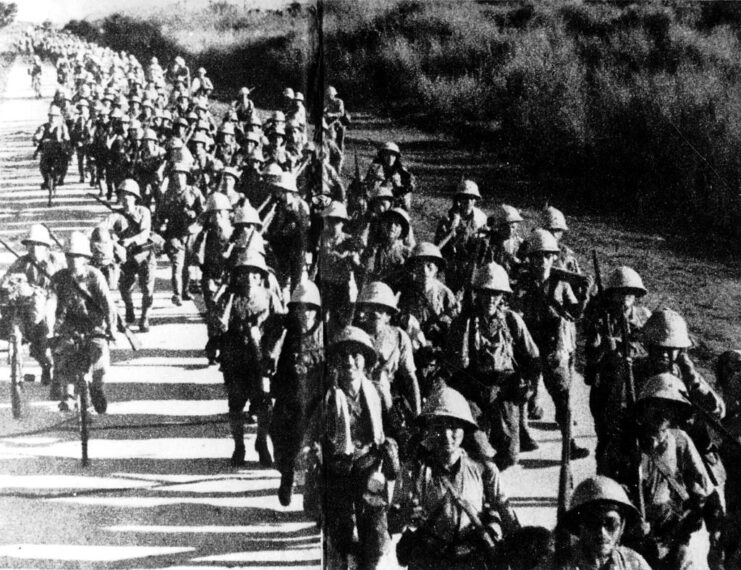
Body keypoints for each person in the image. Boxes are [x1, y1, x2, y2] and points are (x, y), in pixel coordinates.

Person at [301, 326, 399, 570]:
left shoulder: (376, 393)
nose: (349, 361)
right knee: (341, 539)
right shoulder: (327, 397)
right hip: (338, 473)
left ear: (365, 361)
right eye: (343, 355)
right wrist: (310, 451)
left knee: (375, 538)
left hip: (369, 471)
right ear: (335, 361)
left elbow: (393, 430)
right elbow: (311, 432)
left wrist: (392, 448)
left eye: (356, 355)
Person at [396, 386, 520, 570]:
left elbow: (507, 516)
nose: (446, 435)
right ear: (428, 429)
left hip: (471, 560)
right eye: (438, 427)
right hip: (429, 560)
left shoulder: (483, 469)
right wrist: (405, 515)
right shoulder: (414, 470)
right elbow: (391, 523)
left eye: (453, 426)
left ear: (465, 429)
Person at [603, 373, 714, 570]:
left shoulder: (680, 440)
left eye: (670, 406)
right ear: (644, 407)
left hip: (671, 530)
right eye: (657, 404)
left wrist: (691, 520)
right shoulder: (623, 443)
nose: (663, 412)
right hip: (632, 533)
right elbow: (605, 489)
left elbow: (701, 487)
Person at [448, 262, 541, 470]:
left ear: (502, 296)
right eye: (486, 293)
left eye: (496, 294)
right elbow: (452, 365)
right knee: (477, 449)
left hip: (504, 391)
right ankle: (478, 483)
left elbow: (533, 359)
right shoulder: (464, 323)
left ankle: (488, 477)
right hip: (472, 390)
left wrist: (530, 389)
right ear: (478, 294)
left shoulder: (511, 321)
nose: (490, 299)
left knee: (510, 455)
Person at [514, 229, 591, 460]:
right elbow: (514, 309)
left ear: (553, 258)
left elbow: (574, 314)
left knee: (562, 396)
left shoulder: (561, 285)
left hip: (553, 347)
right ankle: (523, 435)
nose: (543, 261)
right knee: (522, 392)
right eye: (538, 257)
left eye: (547, 256)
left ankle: (570, 443)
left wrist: (584, 295)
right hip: (528, 344)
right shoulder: (524, 283)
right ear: (531, 259)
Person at [218, 252, 282, 467]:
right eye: (244, 273)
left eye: (253, 273)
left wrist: (271, 352)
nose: (248, 277)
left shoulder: (269, 296)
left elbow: (280, 327)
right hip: (236, 358)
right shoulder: (230, 297)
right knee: (236, 404)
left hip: (261, 359)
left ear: (260, 276)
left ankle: (261, 442)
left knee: (264, 405)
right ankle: (239, 446)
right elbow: (218, 325)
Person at [584, 266, 651, 465]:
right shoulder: (599, 319)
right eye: (620, 292)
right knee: (606, 439)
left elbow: (649, 349)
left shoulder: (644, 317)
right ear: (612, 294)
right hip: (606, 387)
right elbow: (590, 356)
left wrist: (623, 346)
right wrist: (603, 348)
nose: (625, 298)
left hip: (634, 385)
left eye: (630, 293)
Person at [266, 280, 325, 506]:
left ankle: (310, 487)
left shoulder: (324, 333)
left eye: (309, 308)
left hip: (314, 402)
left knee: (312, 449)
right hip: (289, 397)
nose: (305, 314)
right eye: (299, 308)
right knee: (279, 439)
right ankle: (286, 473)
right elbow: (271, 352)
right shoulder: (285, 331)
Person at [52, 232, 116, 414]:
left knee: (100, 363)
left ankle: (97, 388)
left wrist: (111, 328)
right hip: (69, 325)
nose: (73, 260)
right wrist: (51, 327)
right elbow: (50, 302)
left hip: (95, 324)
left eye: (77, 256)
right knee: (64, 356)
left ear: (85, 258)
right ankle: (68, 396)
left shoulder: (95, 276)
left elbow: (108, 304)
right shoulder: (59, 278)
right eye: (69, 256)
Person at [356, 281, 422, 455]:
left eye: (381, 308)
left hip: (388, 400)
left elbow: (410, 378)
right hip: (359, 399)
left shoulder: (399, 337)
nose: (376, 312)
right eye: (371, 307)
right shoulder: (356, 334)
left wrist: (418, 414)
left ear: (389, 314)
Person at [534, 475, 651, 569]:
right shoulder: (554, 564)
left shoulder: (633, 564)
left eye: (611, 524)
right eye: (592, 523)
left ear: (622, 526)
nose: (602, 531)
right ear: (580, 525)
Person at [2, 224, 65, 392]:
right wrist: (17, 284)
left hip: (54, 307)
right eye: (30, 244)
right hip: (31, 312)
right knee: (38, 349)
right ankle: (46, 367)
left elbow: (67, 282)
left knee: (54, 342)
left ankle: (57, 381)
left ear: (46, 246)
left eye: (38, 244)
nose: (34, 248)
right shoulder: (22, 263)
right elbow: (6, 281)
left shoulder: (56, 262)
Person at [104, 179, 157, 332]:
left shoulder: (143, 211)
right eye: (123, 195)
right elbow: (103, 227)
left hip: (145, 254)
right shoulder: (116, 215)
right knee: (125, 288)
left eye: (129, 195)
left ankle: (145, 317)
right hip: (127, 258)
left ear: (135, 197)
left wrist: (130, 240)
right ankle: (129, 307)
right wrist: (109, 238)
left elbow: (145, 232)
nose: (126, 198)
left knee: (147, 289)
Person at [157, 162, 205, 306]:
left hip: (191, 234)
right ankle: (177, 294)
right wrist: (161, 227)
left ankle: (184, 291)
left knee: (187, 266)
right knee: (177, 265)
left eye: (182, 174)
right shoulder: (168, 195)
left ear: (186, 176)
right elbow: (160, 214)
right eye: (176, 175)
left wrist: (195, 216)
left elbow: (204, 213)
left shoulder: (194, 192)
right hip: (174, 234)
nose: (179, 178)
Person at [397, 242, 459, 351]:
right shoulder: (405, 291)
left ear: (436, 269)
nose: (424, 271)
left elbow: (453, 326)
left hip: (436, 349)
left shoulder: (445, 294)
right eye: (420, 266)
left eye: (429, 266)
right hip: (410, 348)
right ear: (413, 268)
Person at [434, 180, 487, 293]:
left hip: (471, 261)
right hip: (453, 262)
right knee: (453, 290)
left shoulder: (480, 218)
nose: (468, 201)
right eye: (465, 197)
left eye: (472, 198)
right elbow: (439, 243)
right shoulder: (448, 219)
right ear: (459, 199)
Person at [199, 192, 233, 363]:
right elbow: (194, 251)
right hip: (210, 277)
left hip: (227, 278)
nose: (218, 216)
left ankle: (224, 347)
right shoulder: (205, 233)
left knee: (226, 314)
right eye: (214, 213)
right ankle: (213, 348)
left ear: (228, 213)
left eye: (221, 212)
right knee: (213, 313)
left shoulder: (234, 232)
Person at [364, 142, 416, 211]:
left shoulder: (401, 169)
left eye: (393, 155)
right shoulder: (375, 167)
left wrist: (406, 187)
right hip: (378, 196)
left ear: (396, 157)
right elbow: (368, 183)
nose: (390, 158)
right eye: (387, 155)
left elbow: (410, 182)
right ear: (382, 155)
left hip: (396, 196)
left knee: (406, 205)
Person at [32, 105, 70, 190]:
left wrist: (64, 141)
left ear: (58, 117)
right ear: (48, 116)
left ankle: (60, 179)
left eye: (55, 116)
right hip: (47, 151)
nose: (52, 118)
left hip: (59, 151)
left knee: (64, 163)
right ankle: (46, 180)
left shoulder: (62, 126)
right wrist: (36, 138)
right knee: (43, 166)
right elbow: (38, 135)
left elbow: (67, 137)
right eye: (51, 116)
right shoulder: (44, 126)